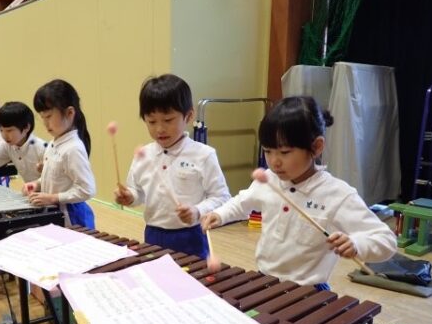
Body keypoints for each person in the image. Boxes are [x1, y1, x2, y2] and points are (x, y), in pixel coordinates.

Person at [201, 96, 397, 290]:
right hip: (265, 280)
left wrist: (356, 244)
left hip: (308, 290)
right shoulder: (268, 180)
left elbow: (386, 241)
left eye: (284, 152)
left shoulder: (337, 194)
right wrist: (220, 214)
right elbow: (242, 202)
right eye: (268, 151)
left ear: (316, 147)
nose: (274, 162)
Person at [114, 74, 230, 259]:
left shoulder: (204, 155)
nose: (159, 129)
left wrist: (197, 211)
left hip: (190, 235)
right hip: (153, 234)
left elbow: (222, 197)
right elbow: (138, 193)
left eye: (168, 120)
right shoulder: (143, 155)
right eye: (151, 121)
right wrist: (129, 197)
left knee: (191, 276)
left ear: (189, 116)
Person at [22, 79, 96, 229]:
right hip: (55, 213)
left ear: (69, 113)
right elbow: (56, 178)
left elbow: (87, 189)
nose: (45, 123)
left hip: (72, 217)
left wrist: (53, 198)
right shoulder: (53, 143)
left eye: (49, 116)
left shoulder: (73, 148)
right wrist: (37, 184)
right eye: (42, 117)